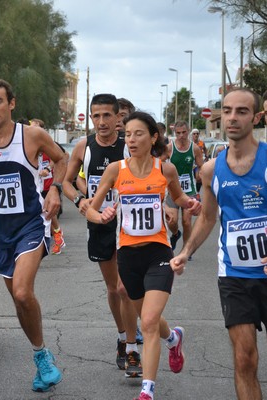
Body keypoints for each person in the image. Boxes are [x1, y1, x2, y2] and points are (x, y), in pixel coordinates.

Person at [87, 111, 201, 400]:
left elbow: (179, 198)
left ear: (153, 138)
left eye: (139, 133)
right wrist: (101, 216)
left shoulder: (166, 170)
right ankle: (174, 338)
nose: (132, 139)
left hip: (159, 252)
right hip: (127, 255)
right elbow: (90, 207)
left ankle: (147, 391)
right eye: (128, 134)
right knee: (148, 318)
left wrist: (191, 205)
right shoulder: (116, 170)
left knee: (148, 322)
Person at [0, 79, 66, 392]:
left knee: (22, 292)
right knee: (18, 301)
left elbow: (61, 159)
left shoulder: (31, 136)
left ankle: (43, 359)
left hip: (31, 225)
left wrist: (56, 191)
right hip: (0, 233)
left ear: (12, 103)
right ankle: (41, 355)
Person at [171, 88, 267, 400]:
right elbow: (208, 218)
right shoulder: (212, 170)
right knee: (244, 358)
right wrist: (186, 251)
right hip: (235, 276)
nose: (232, 117)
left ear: (255, 117)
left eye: (241, 111)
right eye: (227, 111)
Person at [62, 93, 142, 377]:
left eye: (107, 115)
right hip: (98, 224)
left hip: (126, 224)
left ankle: (132, 348)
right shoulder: (84, 147)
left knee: (125, 287)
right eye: (96, 116)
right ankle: (122, 337)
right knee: (112, 289)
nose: (101, 121)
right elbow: (66, 182)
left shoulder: (128, 147)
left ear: (118, 116)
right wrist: (81, 201)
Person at [30, 118, 69, 255]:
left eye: (35, 125)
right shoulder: (31, 141)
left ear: (42, 128)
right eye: (31, 125)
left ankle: (57, 238)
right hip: (37, 184)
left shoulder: (48, 142)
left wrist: (48, 168)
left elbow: (64, 155)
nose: (32, 128)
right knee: (43, 213)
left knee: (48, 213)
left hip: (49, 185)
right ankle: (50, 238)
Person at [164, 121, 204, 253]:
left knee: (187, 222)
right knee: (172, 221)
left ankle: (186, 250)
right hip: (172, 190)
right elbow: (157, 163)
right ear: (175, 133)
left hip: (189, 190)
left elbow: (201, 167)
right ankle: (175, 234)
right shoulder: (170, 148)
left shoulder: (195, 149)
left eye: (184, 132)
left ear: (189, 131)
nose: (181, 135)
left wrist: (199, 174)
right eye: (178, 133)